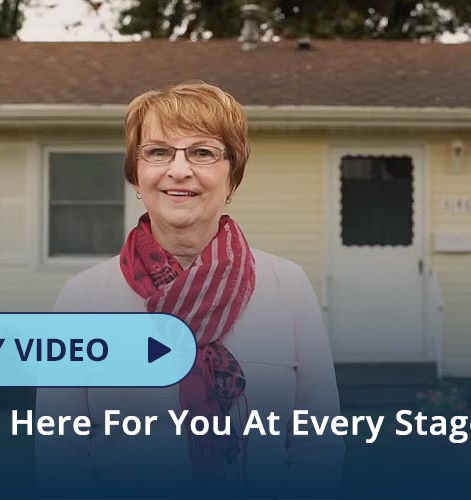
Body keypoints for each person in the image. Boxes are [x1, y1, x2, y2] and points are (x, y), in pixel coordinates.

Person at [35, 82, 344, 497]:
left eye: (202, 153)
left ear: (232, 177)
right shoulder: (82, 300)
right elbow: (61, 457)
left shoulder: (287, 288)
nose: (179, 170)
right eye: (159, 152)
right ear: (136, 177)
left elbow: (318, 443)